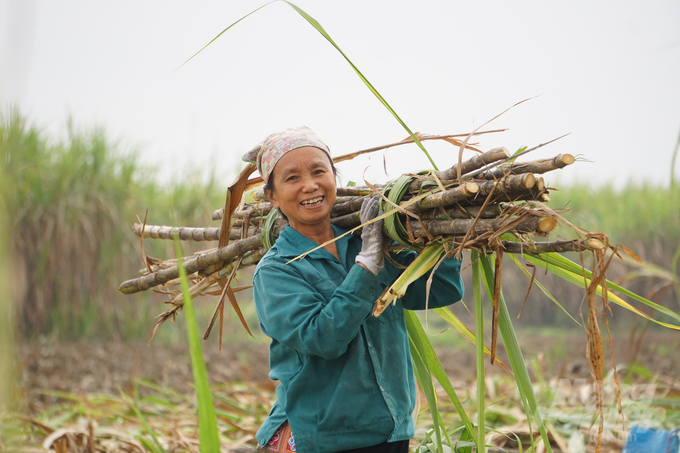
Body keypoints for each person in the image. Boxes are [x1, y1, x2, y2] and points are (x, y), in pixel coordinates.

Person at [242, 126, 464, 453]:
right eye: (291, 178)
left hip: (392, 432)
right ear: (272, 196)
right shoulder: (276, 271)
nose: (310, 185)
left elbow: (442, 289)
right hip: (327, 439)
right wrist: (367, 266)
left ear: (334, 177)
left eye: (320, 171)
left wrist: (443, 232)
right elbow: (323, 338)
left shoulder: (368, 239)